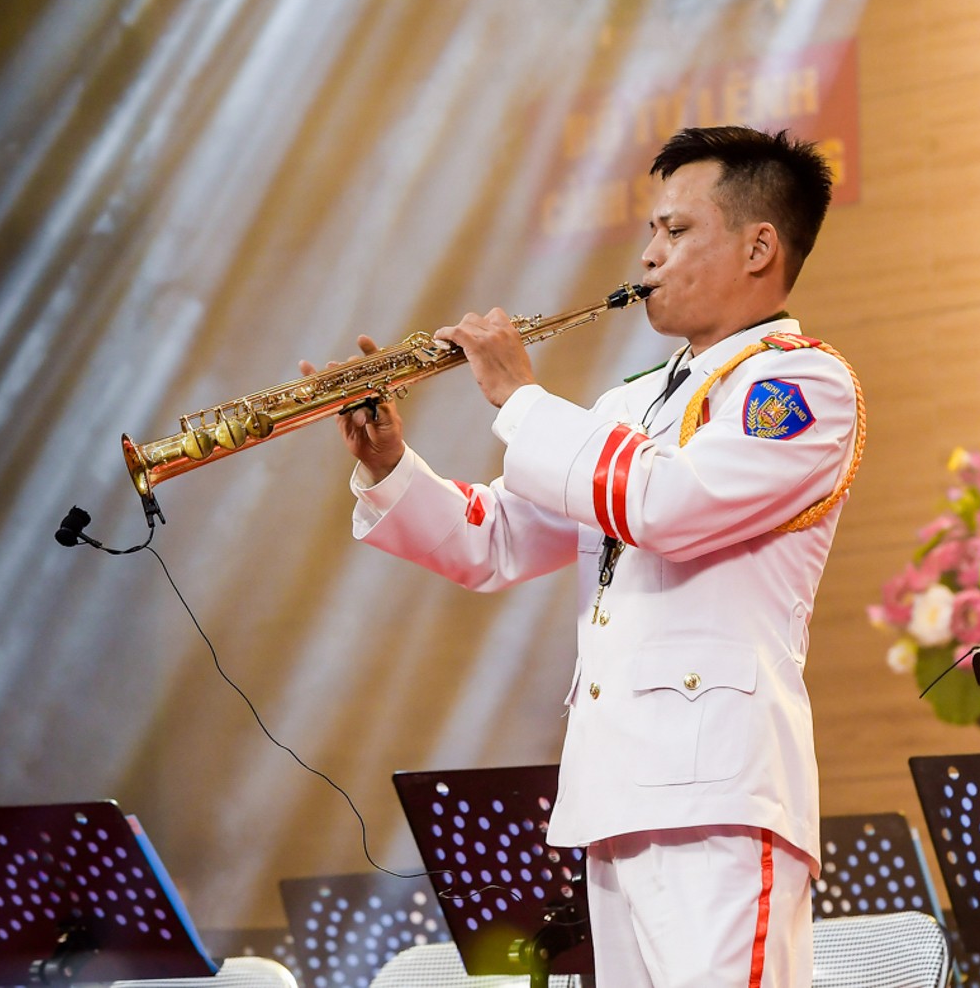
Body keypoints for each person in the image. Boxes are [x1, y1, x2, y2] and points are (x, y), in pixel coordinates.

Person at [304, 127, 861, 987]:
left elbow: (668, 505)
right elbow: (493, 540)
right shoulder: (629, 402)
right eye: (651, 231)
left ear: (760, 247)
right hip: (614, 796)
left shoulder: (797, 387)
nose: (647, 256)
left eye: (676, 232)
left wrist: (520, 397)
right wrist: (386, 461)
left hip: (719, 799)